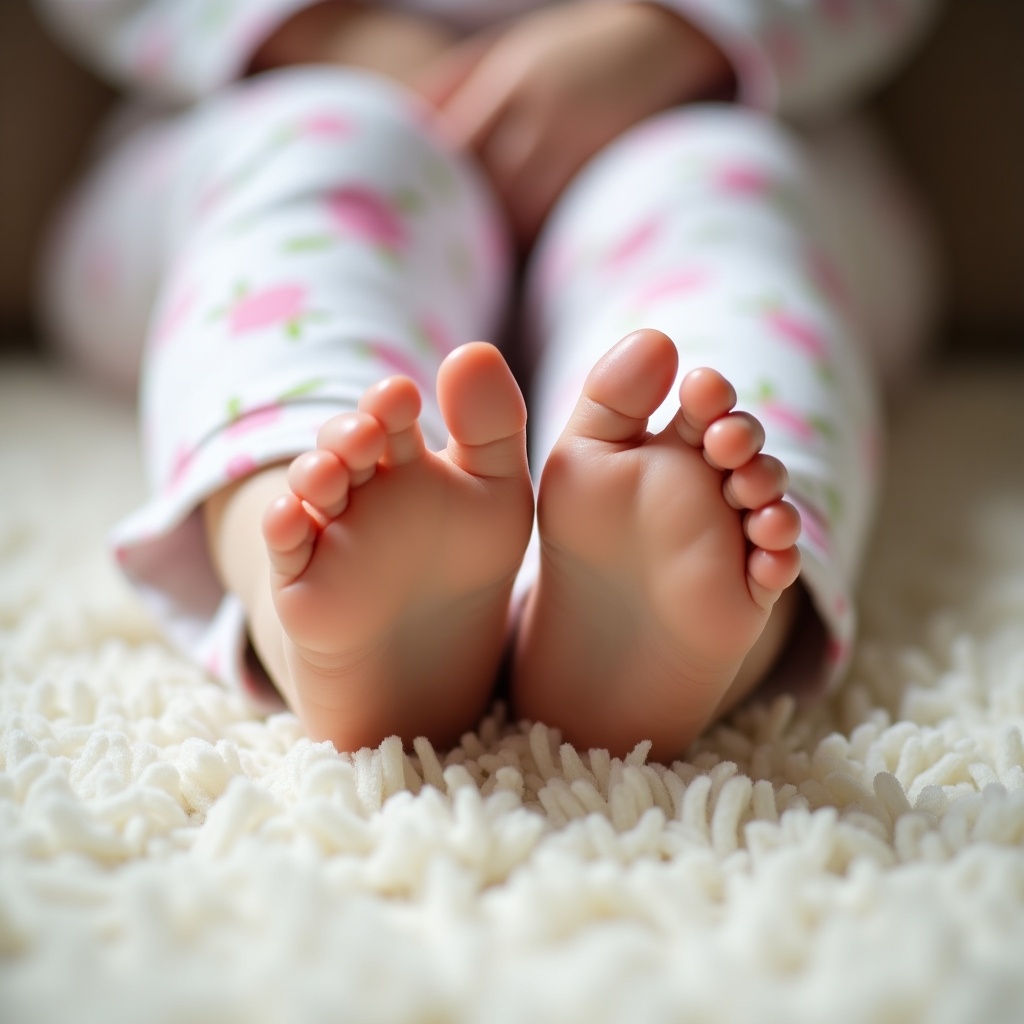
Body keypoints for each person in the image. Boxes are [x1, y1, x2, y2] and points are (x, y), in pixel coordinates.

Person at [36, 0, 940, 760]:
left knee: (723, 197)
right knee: (318, 158)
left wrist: (673, 35)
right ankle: (321, 588)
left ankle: (674, 615)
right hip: (288, 104)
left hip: (691, 115)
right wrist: (325, 34)